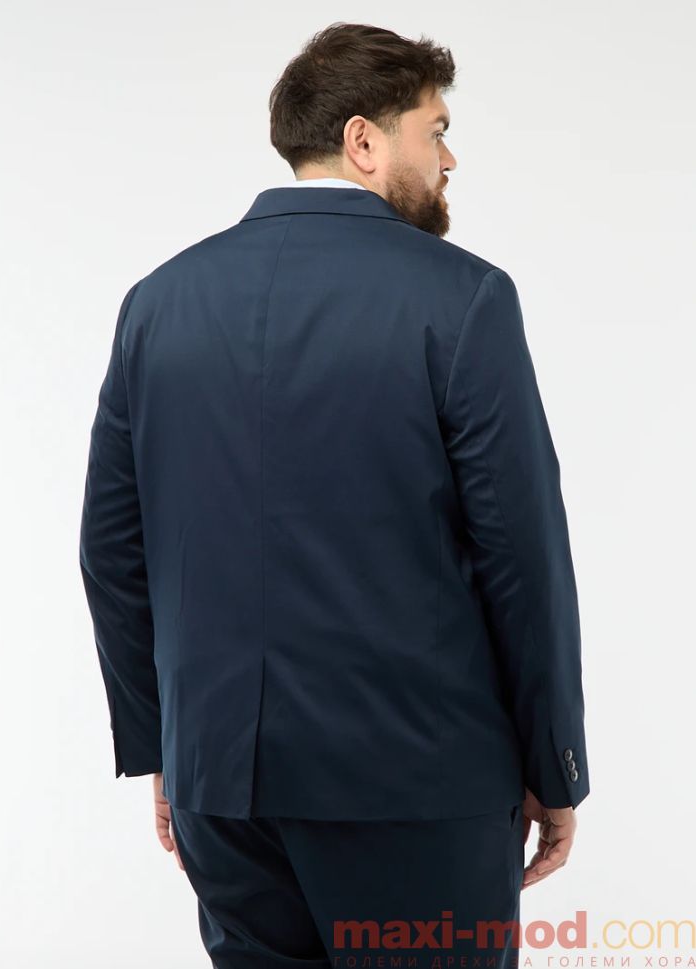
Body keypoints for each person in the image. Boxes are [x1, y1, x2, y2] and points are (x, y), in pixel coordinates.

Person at [79, 21, 590, 968]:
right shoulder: (464, 298)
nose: (449, 159)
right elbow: (523, 557)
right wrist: (554, 760)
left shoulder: (158, 303)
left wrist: (167, 747)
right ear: (364, 140)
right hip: (418, 788)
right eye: (434, 131)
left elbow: (112, 548)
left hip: (223, 786)